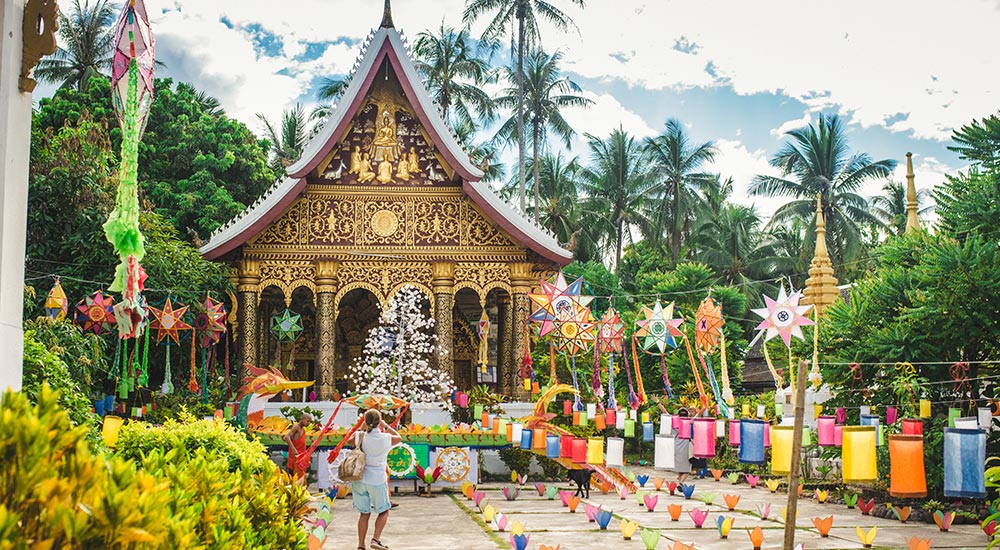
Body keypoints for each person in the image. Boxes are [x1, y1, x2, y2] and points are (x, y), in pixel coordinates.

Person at [353, 409, 401, 550]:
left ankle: (361, 545)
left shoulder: (360, 436)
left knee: (364, 513)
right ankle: (375, 539)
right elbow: (399, 437)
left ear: (366, 421)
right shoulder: (385, 438)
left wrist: (361, 428)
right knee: (384, 510)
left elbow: (348, 439)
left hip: (360, 478)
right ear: (379, 422)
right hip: (377, 479)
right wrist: (385, 426)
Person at [282, 413, 312, 482]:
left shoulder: (303, 430)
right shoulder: (296, 427)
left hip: (301, 458)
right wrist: (293, 449)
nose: (309, 423)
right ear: (302, 419)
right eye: (307, 421)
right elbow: (287, 437)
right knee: (294, 477)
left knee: (301, 479)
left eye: (310, 421)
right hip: (295, 456)